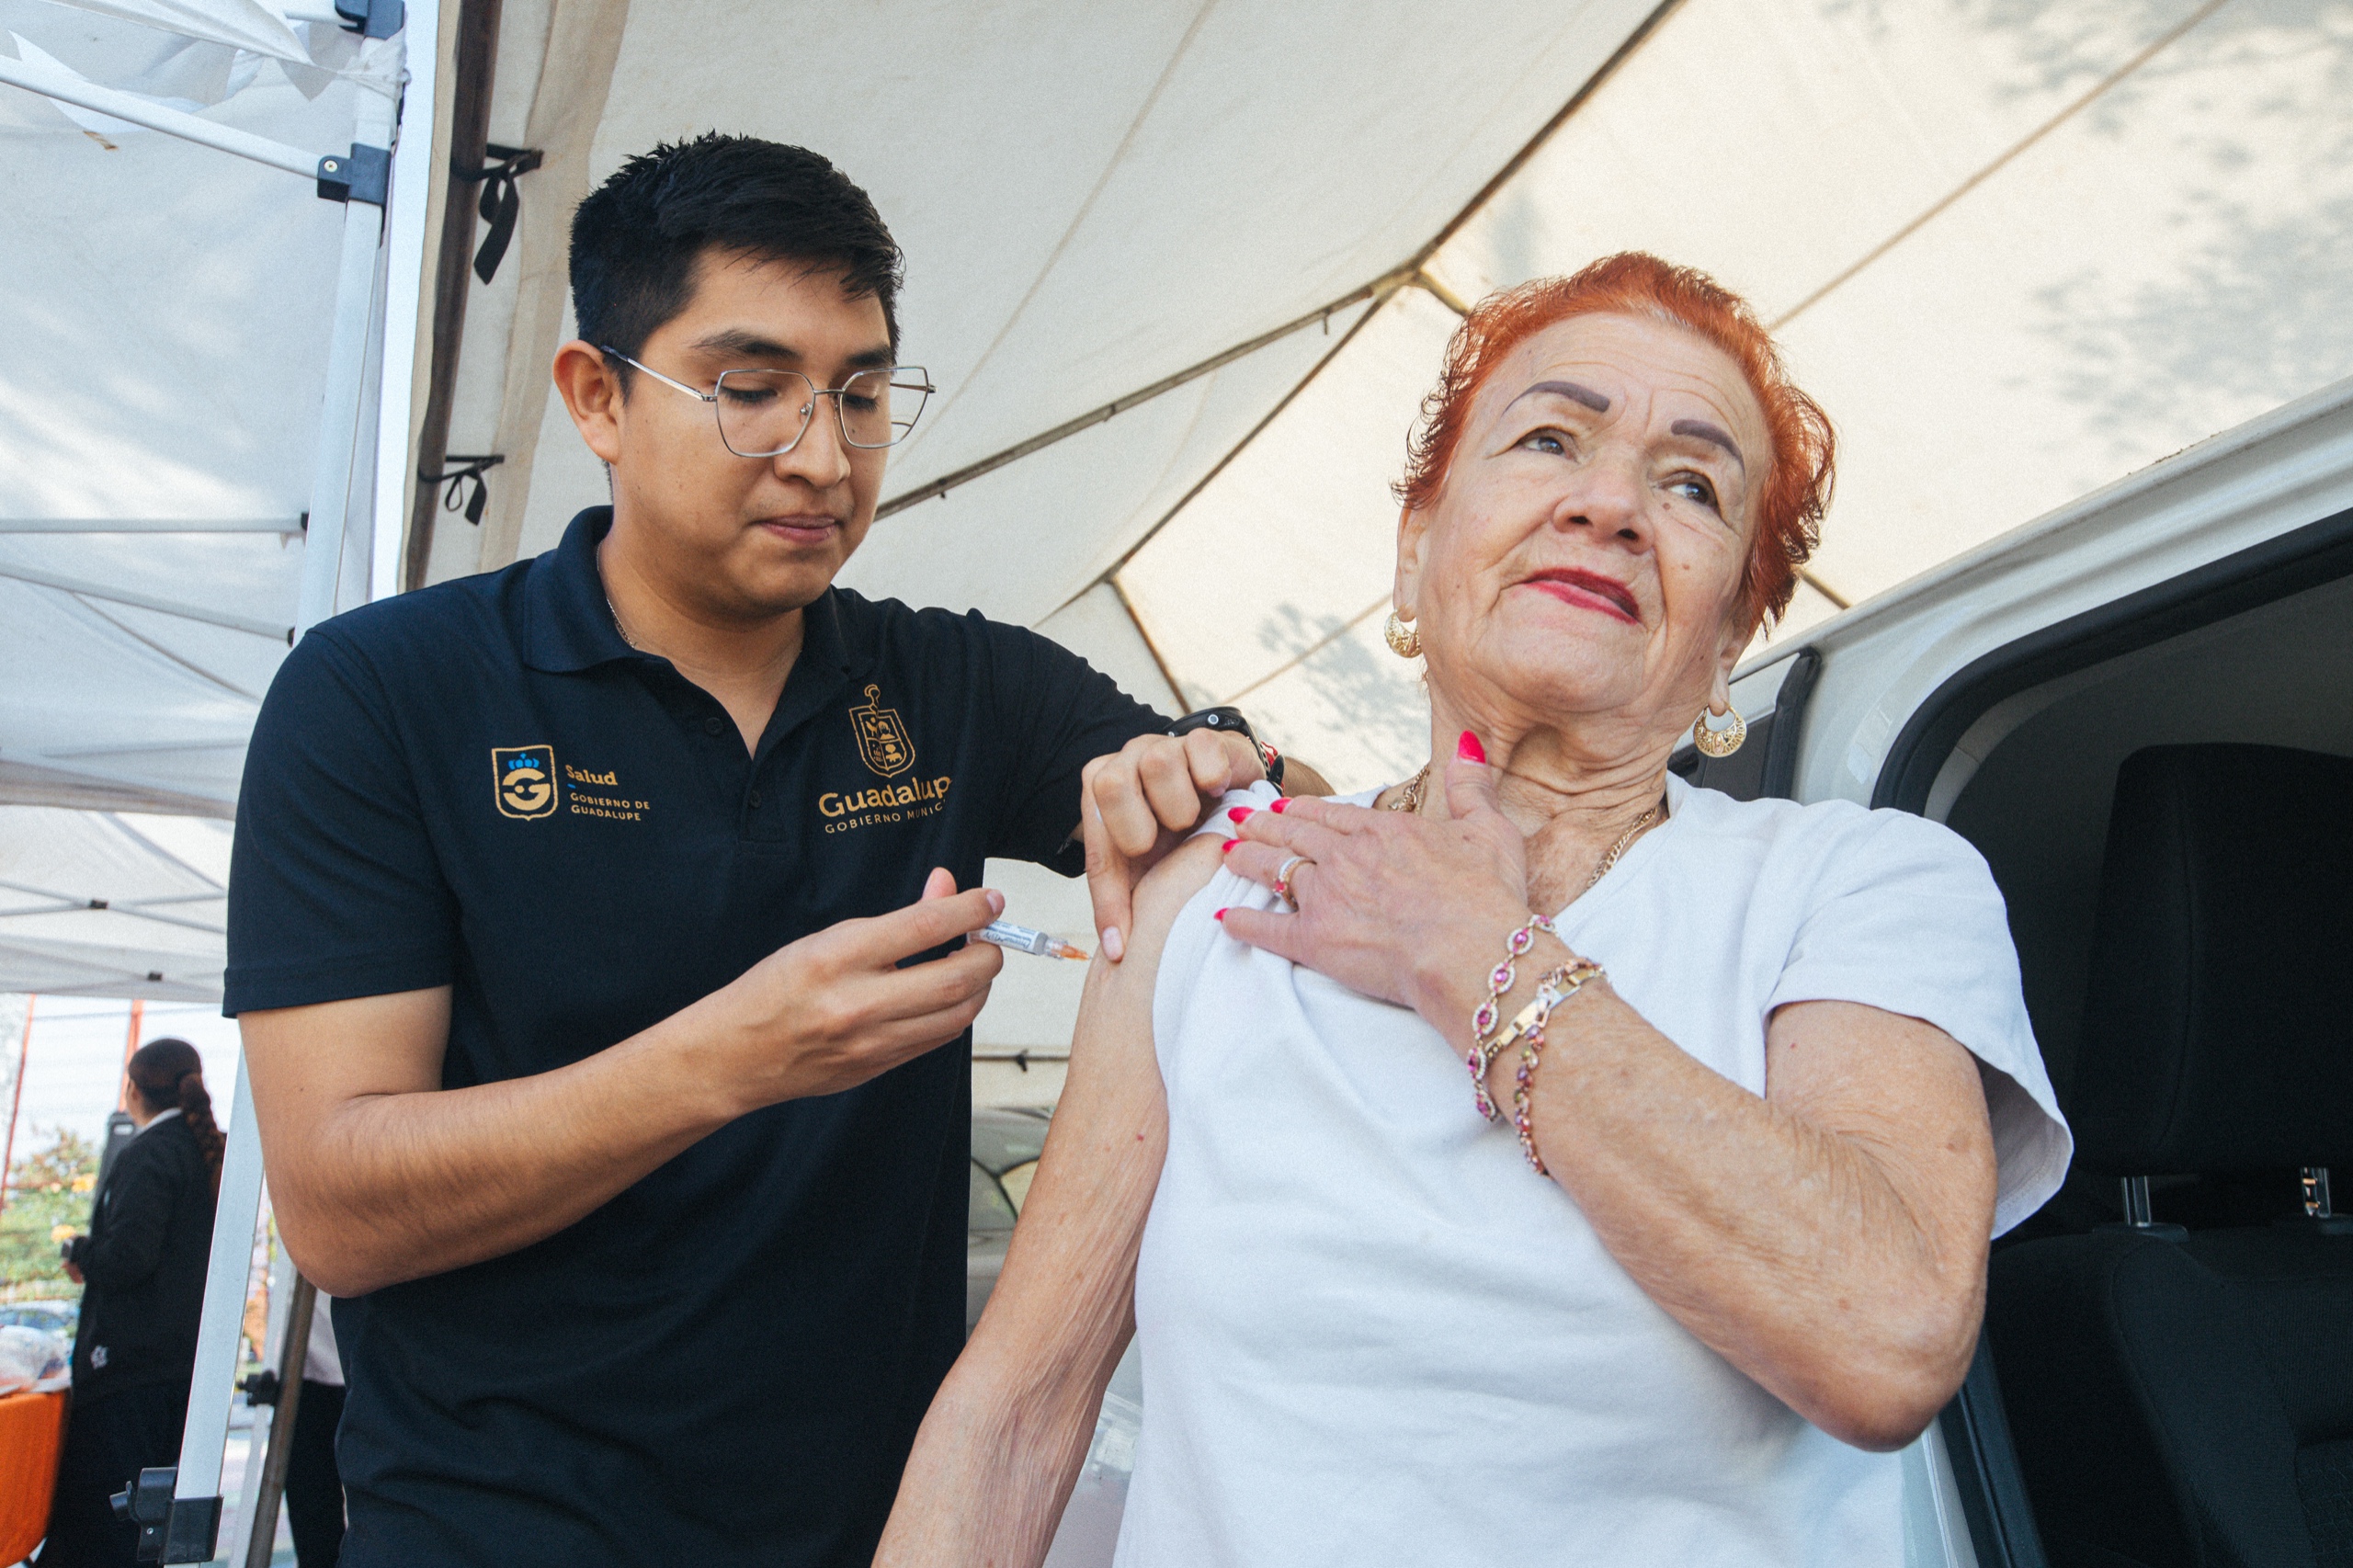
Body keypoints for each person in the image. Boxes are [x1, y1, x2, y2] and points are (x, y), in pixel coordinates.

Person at [877, 254, 2074, 1565]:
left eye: (1692, 484)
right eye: (1550, 438)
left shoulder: (1859, 881)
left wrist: (1470, 952)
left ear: (1731, 636)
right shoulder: (1207, 894)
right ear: (1414, 552)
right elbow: (1014, 1416)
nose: (1610, 503)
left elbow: (1884, 1338)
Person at [224, 132, 1289, 1568]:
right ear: (597, 396)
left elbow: (1273, 829)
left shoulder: (955, 686)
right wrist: (733, 1057)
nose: (823, 455)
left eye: (862, 394)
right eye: (751, 390)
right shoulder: (386, 693)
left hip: (875, 1532)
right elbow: (338, 1207)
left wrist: (1213, 758)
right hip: (498, 1531)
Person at [42, 1040, 223, 1567]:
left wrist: (80, 1251)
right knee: (147, 1531)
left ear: (132, 1089)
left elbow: (129, 1257)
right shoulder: (205, 1152)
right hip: (180, 1364)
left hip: (129, 1371)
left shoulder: (149, 1153)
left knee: (101, 1527)